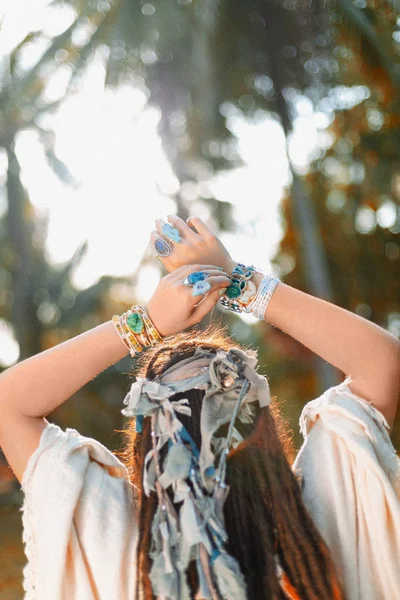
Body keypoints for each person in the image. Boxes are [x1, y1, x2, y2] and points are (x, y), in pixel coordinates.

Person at [0, 216, 398, 600]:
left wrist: (155, 320)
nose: (201, 398)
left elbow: (9, 404)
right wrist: (232, 282)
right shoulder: (124, 543)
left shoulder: (312, 521)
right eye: (177, 400)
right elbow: (380, 366)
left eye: (223, 383)